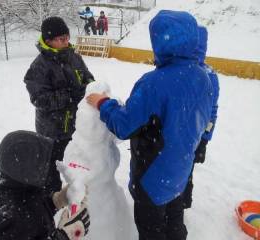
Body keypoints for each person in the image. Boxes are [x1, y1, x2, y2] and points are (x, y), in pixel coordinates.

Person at [86, 10, 213, 240]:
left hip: (153, 178)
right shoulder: (203, 77)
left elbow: (123, 125)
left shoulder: (153, 83)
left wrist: (104, 103)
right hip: (180, 170)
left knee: (151, 230)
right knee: (174, 223)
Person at [24, 17, 94, 196]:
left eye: (67, 37)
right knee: (52, 173)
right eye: (61, 39)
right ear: (48, 41)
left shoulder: (74, 57)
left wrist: (91, 88)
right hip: (52, 132)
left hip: (77, 127)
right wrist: (70, 95)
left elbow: (88, 78)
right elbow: (40, 99)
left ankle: (78, 198)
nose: (66, 41)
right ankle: (52, 204)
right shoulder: (38, 67)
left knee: (78, 167)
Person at [0, 130, 90, 240]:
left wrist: (55, 201)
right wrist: (64, 236)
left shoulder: (14, 185)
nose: (46, 168)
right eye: (40, 164)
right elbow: (23, 219)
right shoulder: (7, 218)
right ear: (25, 170)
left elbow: (30, 207)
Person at [182, 25, 220, 209]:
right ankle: (181, 201)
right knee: (185, 170)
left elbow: (212, 111)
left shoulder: (180, 70)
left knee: (180, 171)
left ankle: (180, 202)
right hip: (193, 136)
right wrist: (204, 139)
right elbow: (212, 112)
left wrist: (204, 141)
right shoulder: (210, 74)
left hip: (180, 135)